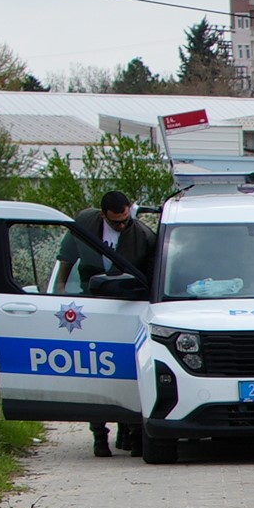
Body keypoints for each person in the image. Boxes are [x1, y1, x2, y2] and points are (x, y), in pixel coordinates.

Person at [62, 192, 154, 456]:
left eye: (125, 220)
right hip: (92, 304)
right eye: (116, 222)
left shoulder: (143, 236)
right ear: (104, 215)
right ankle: (99, 436)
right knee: (96, 371)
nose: (122, 226)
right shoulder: (84, 224)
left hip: (127, 304)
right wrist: (62, 294)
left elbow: (148, 275)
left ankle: (134, 435)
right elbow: (66, 258)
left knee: (128, 369)